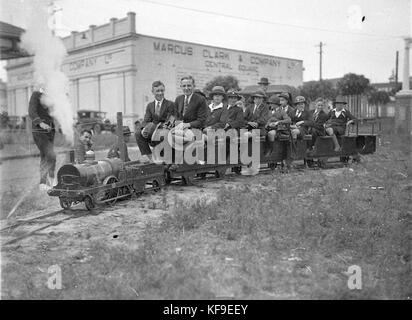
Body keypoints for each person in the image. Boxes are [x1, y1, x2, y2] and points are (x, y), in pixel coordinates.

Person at [136, 80, 175, 162]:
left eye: (162, 90)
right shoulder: (150, 106)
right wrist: (144, 128)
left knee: (162, 133)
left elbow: (170, 120)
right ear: (152, 92)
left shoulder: (170, 104)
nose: (160, 93)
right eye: (157, 91)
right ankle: (150, 157)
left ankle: (163, 157)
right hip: (152, 130)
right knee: (138, 133)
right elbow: (146, 120)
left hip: (165, 130)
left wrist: (155, 127)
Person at [28, 88, 56, 191]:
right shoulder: (36, 95)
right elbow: (31, 111)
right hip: (39, 131)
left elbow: (53, 114)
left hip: (50, 132)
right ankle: (50, 183)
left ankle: (44, 183)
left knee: (45, 156)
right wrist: (41, 123)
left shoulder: (51, 97)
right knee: (51, 155)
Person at [171, 75, 208, 146]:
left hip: (194, 129)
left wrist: (187, 125)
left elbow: (201, 120)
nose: (186, 88)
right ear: (181, 86)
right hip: (179, 129)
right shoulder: (179, 99)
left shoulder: (200, 100)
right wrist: (167, 125)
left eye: (189, 85)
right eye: (184, 86)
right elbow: (174, 116)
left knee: (176, 138)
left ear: (194, 86)